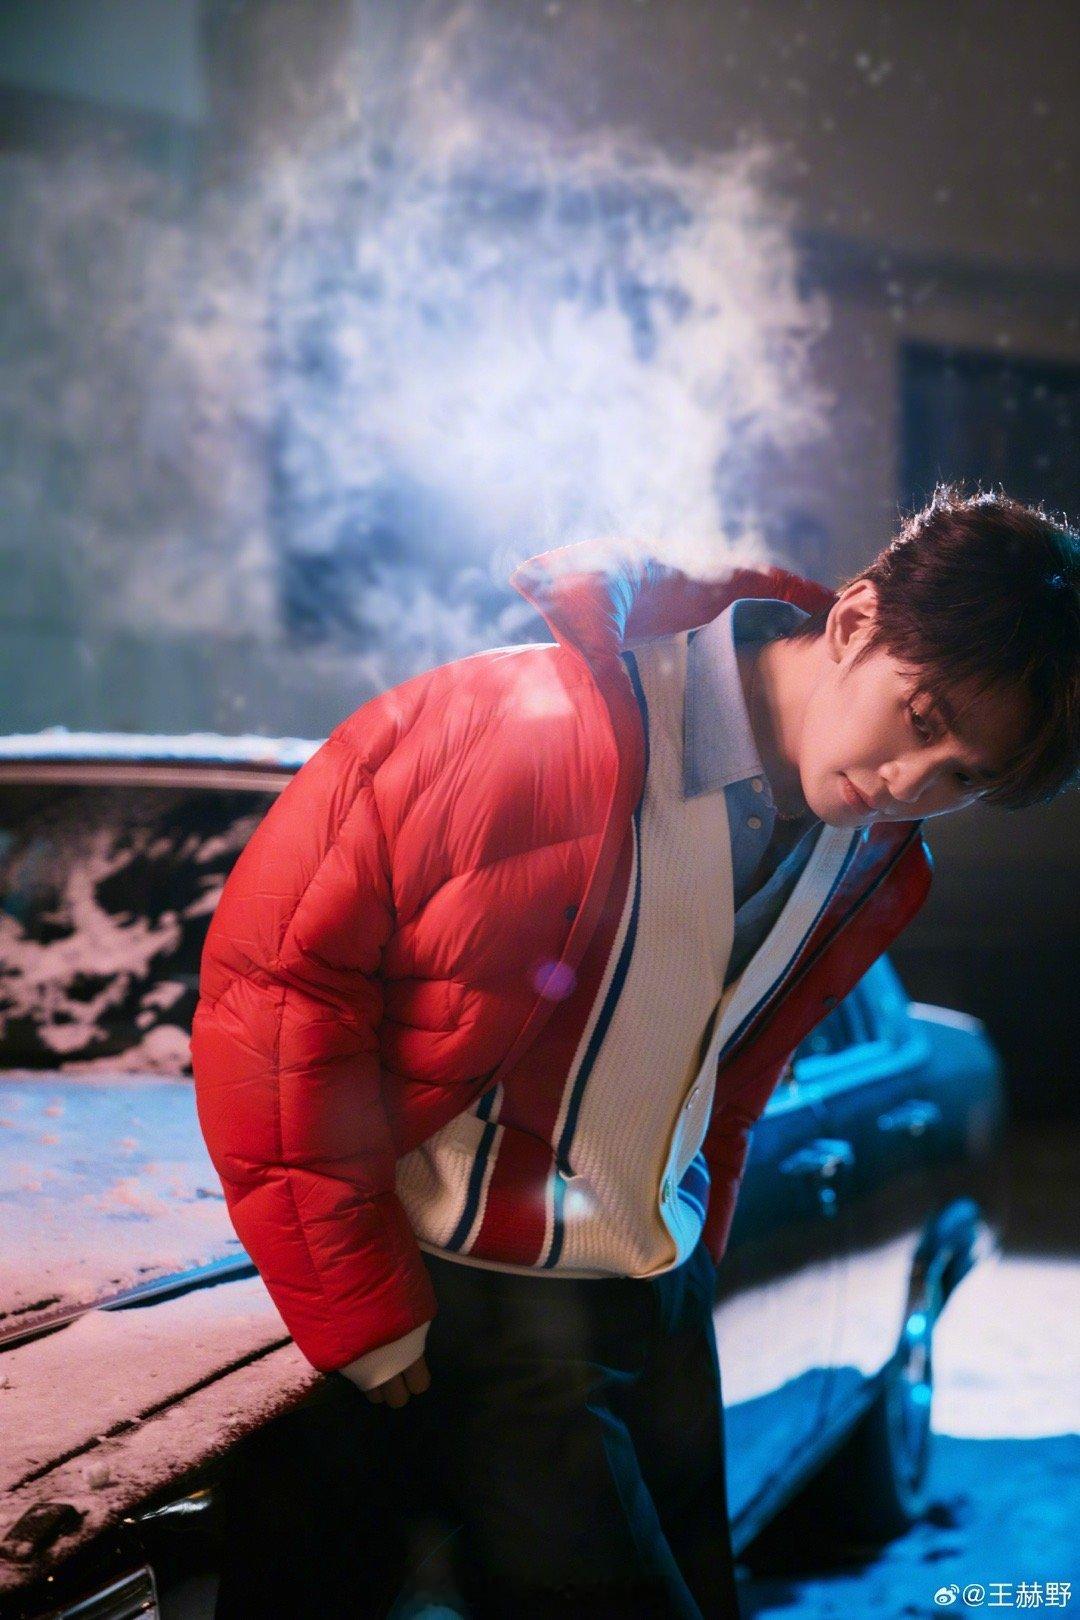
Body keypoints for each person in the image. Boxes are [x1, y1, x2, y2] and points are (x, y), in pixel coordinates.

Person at [192, 482, 1079, 1618]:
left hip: (654, 1300)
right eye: (920, 718)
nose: (913, 783)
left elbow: (733, 1063)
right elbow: (277, 988)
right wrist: (357, 1298)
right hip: (471, 1303)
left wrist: (699, 1235)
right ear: (855, 621)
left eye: (964, 776)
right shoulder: (519, 722)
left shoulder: (869, 855)